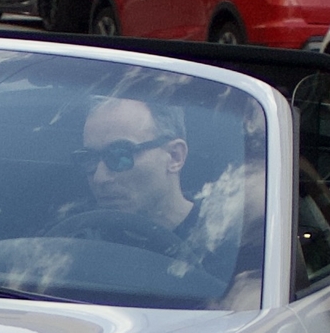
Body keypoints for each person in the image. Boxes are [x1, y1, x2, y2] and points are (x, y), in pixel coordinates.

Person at [55, 96, 216, 275]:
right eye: (89, 158)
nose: (100, 178)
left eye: (120, 155)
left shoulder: (225, 241)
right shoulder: (72, 238)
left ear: (174, 156)